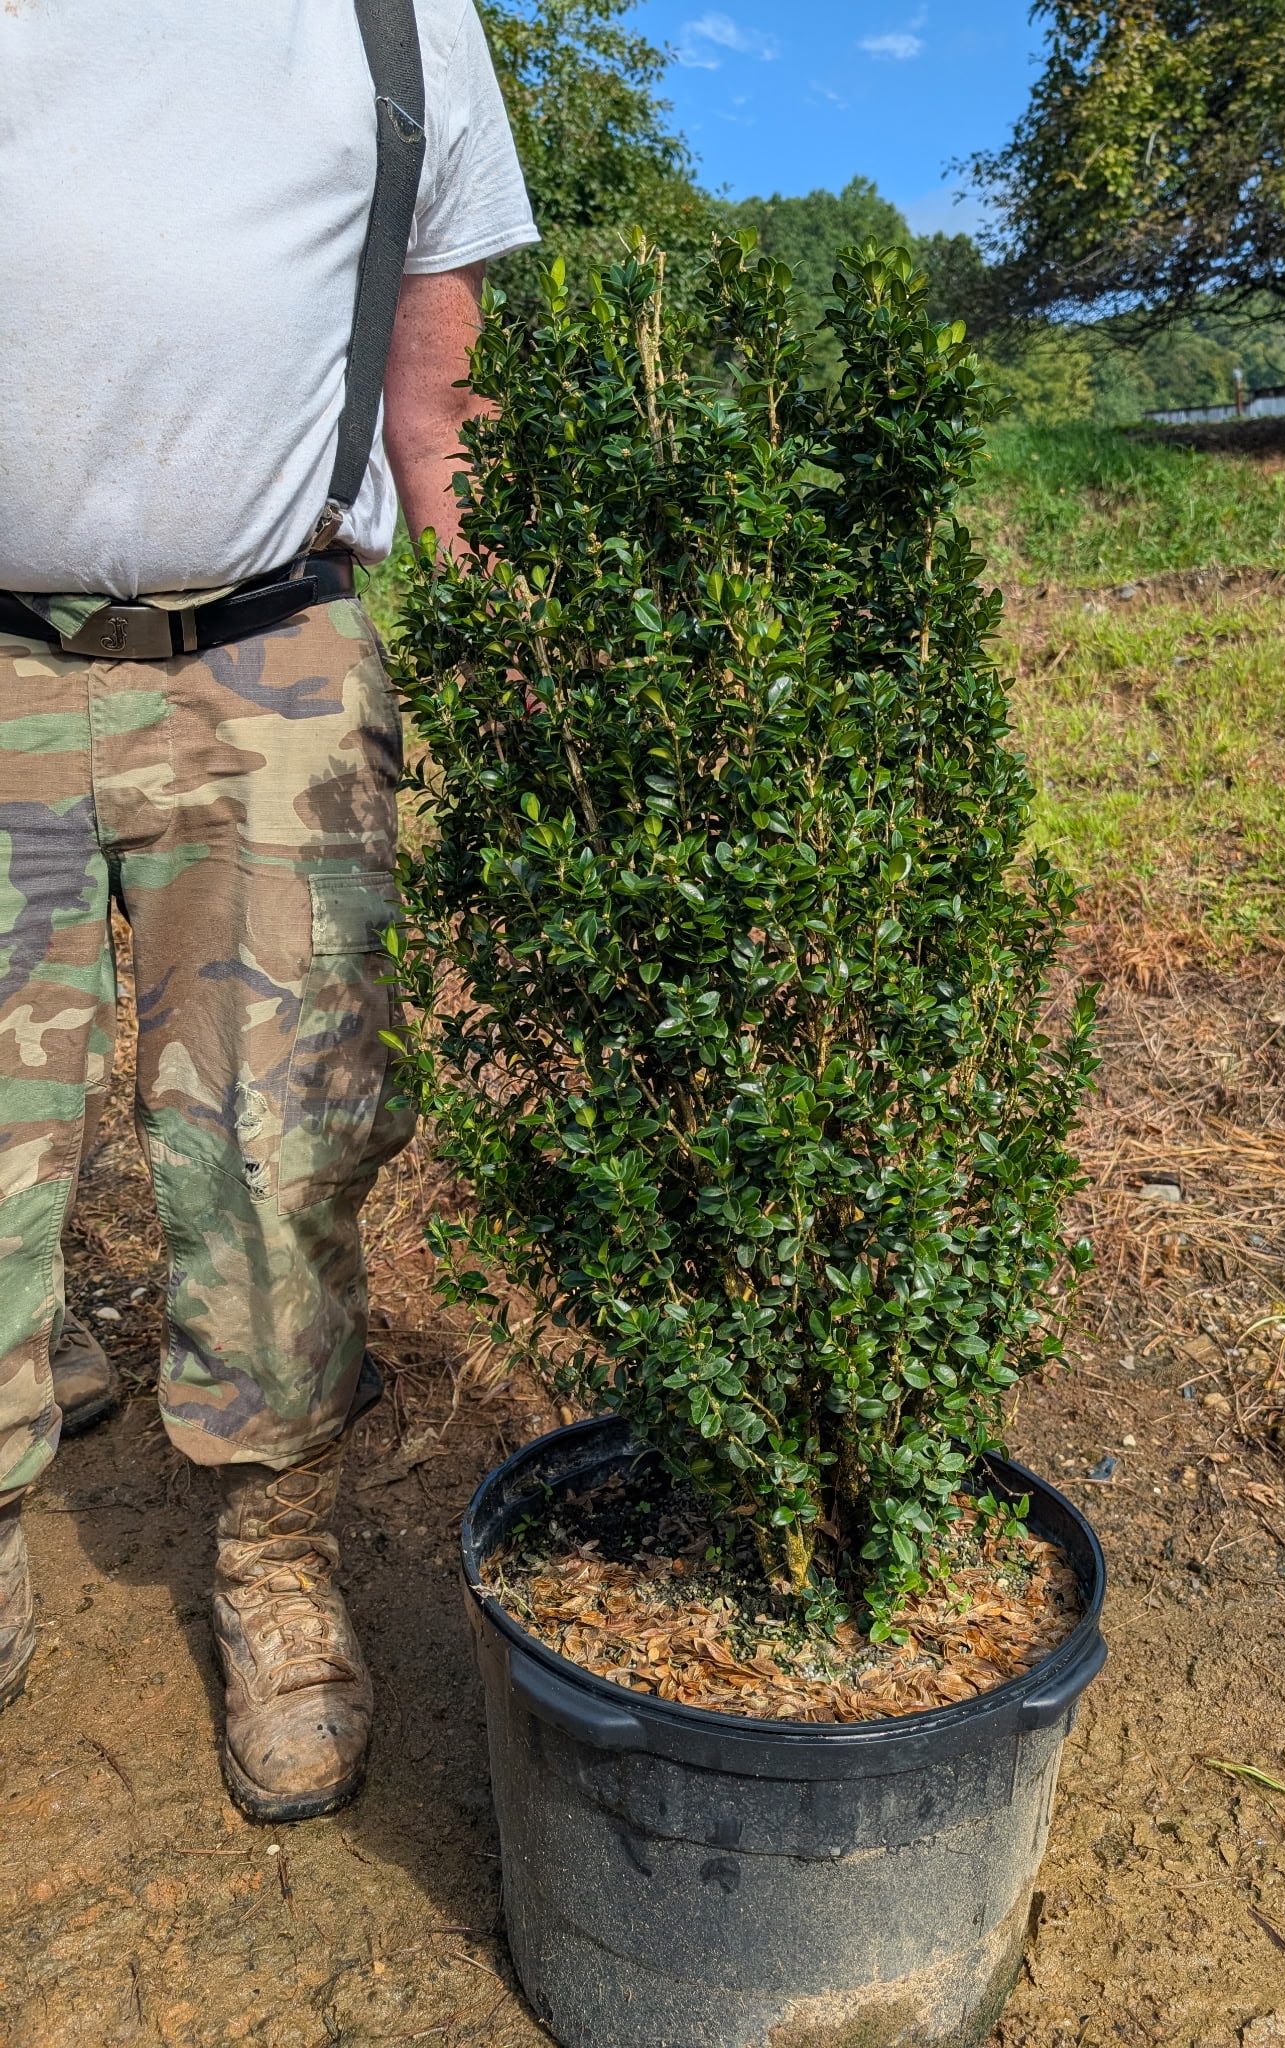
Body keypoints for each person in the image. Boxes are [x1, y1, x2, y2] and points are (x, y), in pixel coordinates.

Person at [0, 0, 538, 1822]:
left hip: (274, 660)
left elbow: (432, 381)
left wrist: (526, 657)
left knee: (273, 1142)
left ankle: (275, 1560)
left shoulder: (402, 20)